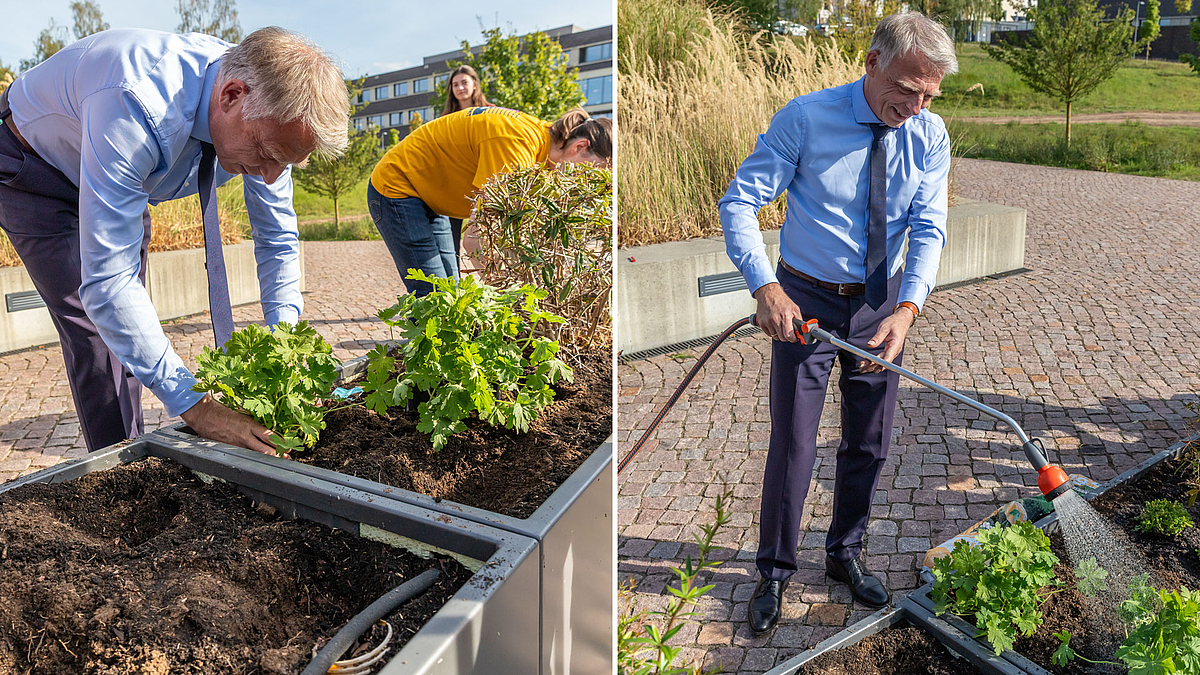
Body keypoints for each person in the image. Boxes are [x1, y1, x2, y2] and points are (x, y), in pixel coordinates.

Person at [0, 27, 349, 455]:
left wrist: (286, 350)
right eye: (270, 155)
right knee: (95, 329)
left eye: (288, 162)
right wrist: (199, 409)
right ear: (230, 96)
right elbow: (109, 284)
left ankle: (131, 444)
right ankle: (121, 473)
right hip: (35, 166)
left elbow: (276, 238)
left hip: (118, 168)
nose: (272, 176)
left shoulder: (272, 113)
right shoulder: (136, 100)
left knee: (128, 325)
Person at [718, 12, 957, 633]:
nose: (915, 105)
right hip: (805, 300)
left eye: (928, 94)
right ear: (873, 62)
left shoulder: (930, 136)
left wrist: (909, 309)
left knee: (868, 442)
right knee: (795, 442)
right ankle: (773, 570)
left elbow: (929, 227)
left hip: (883, 304)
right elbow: (741, 202)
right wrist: (765, 287)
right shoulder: (805, 118)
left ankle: (844, 553)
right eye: (906, 88)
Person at [367, 106, 611, 297]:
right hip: (398, 187)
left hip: (432, 196)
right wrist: (511, 297)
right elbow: (476, 239)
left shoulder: (544, 145)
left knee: (451, 292)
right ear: (580, 146)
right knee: (433, 295)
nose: (585, 180)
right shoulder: (516, 148)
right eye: (592, 171)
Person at [438, 65, 493, 267]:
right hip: (454, 185)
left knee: (484, 238)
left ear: (475, 85)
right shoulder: (445, 119)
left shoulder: (490, 113)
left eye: (464, 82)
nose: (460, 87)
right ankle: (454, 285)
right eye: (455, 84)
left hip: (483, 183)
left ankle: (493, 283)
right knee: (449, 241)